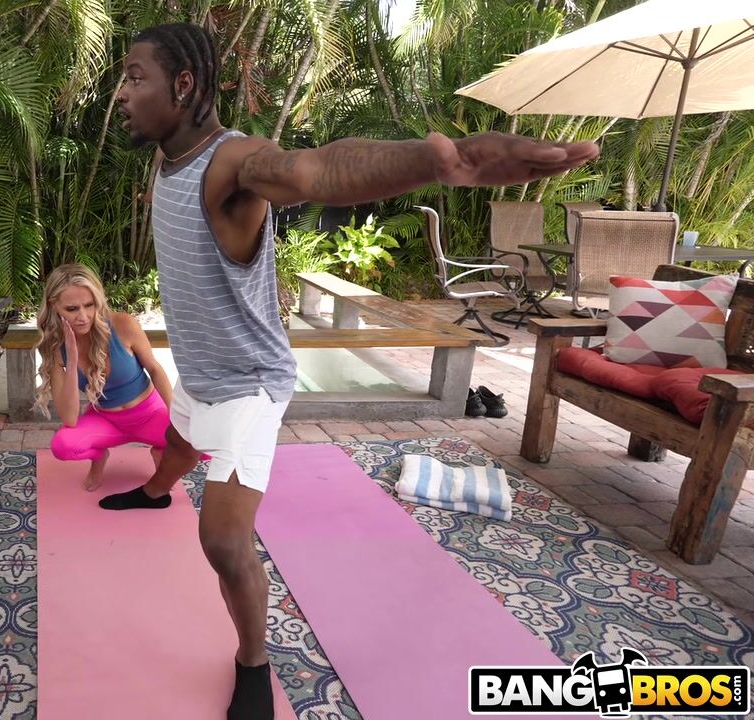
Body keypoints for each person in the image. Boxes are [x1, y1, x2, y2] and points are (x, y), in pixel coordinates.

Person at [102, 22, 600, 720]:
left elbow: (314, 171)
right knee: (179, 439)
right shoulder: (169, 156)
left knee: (222, 540)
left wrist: (438, 160)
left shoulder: (231, 163)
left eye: (134, 77)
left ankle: (253, 662)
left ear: (183, 85)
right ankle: (158, 491)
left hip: (249, 381)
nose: (121, 93)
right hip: (205, 371)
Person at [36, 264, 174, 490]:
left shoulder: (123, 324)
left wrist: (178, 417)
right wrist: (71, 360)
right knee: (63, 446)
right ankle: (99, 457)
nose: (83, 316)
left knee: (201, 443)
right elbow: (69, 419)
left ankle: (162, 450)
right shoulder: (55, 347)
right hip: (106, 421)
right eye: (72, 309)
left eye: (89, 305)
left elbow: (155, 370)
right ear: (54, 305)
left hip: (150, 414)